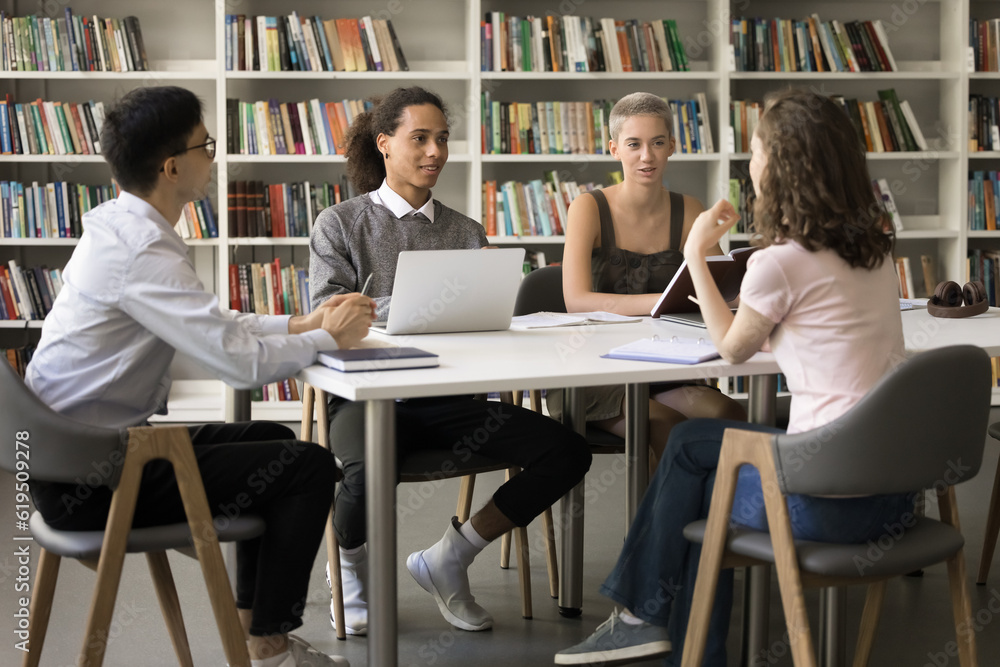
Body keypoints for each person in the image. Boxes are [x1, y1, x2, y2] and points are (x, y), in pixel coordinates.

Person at [554, 89, 914, 666]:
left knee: (702, 478)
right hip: (897, 491)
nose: (750, 164)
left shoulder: (782, 260)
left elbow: (731, 347)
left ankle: (646, 619)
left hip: (826, 499)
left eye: (755, 151)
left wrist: (696, 253)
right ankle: (659, 626)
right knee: (699, 445)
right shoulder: (874, 251)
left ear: (782, 164)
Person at [25, 86, 374, 667]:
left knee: (281, 445)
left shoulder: (120, 227)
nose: (213, 157)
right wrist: (328, 339)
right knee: (309, 468)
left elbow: (214, 323)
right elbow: (235, 363)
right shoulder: (142, 251)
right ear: (171, 166)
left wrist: (297, 323)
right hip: (94, 479)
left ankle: (254, 634)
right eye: (205, 145)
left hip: (75, 456)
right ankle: (267, 646)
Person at [310, 86, 592, 636]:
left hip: (450, 398)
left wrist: (492, 299)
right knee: (367, 469)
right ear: (384, 143)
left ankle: (452, 556)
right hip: (367, 395)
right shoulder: (339, 223)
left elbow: (481, 323)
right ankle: (348, 565)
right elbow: (328, 310)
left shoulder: (466, 231)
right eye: (420, 138)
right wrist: (418, 301)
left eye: (441, 139)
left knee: (566, 451)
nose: (435, 151)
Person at [551, 92, 746, 469]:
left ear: (672, 146)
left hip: (666, 364)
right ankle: (658, 528)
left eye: (658, 143)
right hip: (594, 369)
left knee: (729, 414)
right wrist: (668, 299)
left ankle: (716, 521)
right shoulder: (587, 207)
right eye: (634, 144)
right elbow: (576, 300)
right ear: (614, 149)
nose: (647, 156)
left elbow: (723, 289)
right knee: (666, 425)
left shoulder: (688, 209)